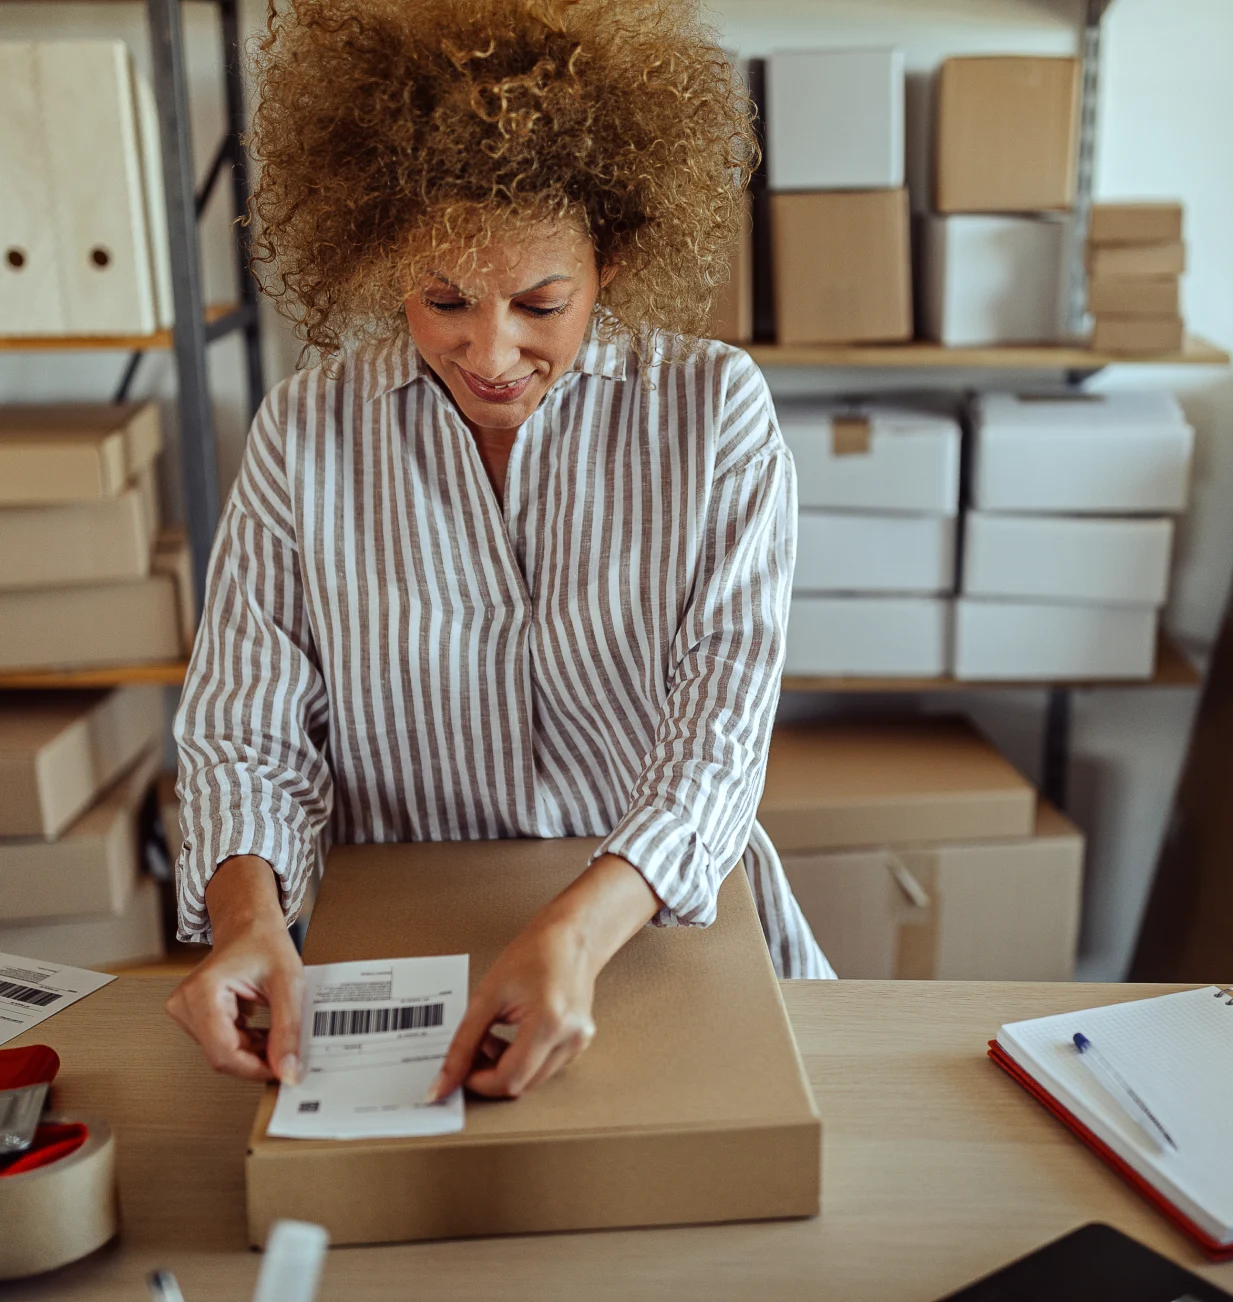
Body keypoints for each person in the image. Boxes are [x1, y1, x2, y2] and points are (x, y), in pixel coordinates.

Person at [165, 0, 833, 1104]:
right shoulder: (306, 431)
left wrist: (577, 931)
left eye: (540, 304)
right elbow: (248, 729)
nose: (491, 352)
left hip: (650, 923)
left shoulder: (713, 414)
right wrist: (245, 919)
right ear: (383, 251)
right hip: (398, 940)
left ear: (612, 255)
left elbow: (720, 730)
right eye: (444, 300)